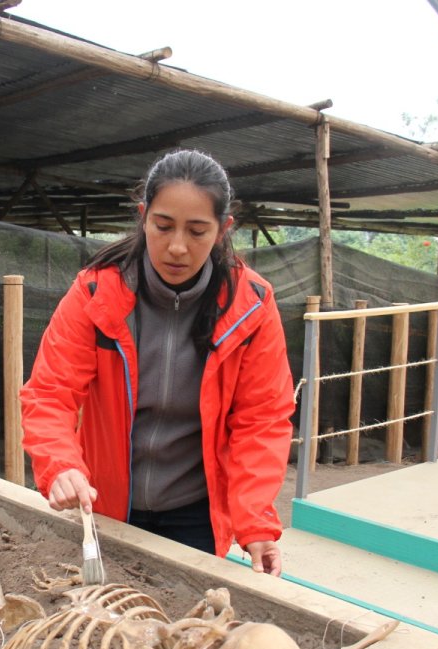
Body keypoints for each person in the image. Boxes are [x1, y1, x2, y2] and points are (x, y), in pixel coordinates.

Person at [19, 149, 296, 575]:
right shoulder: (96, 292)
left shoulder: (251, 306)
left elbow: (262, 419)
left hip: (195, 514)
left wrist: (256, 521)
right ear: (143, 215)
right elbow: (50, 393)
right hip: (107, 506)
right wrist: (60, 465)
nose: (177, 247)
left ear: (223, 230)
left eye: (198, 231)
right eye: (163, 226)